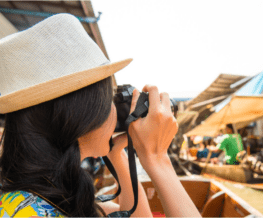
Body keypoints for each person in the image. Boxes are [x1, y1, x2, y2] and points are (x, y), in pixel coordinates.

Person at [0, 14, 201, 217]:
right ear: (81, 114)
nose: (114, 109)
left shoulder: (32, 199)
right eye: (109, 99)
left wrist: (116, 154)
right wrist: (157, 158)